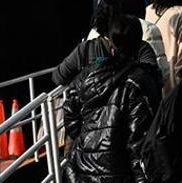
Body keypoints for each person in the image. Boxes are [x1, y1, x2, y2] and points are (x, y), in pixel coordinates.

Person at [63, 15, 163, 183]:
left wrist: (85, 137)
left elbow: (70, 110)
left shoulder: (87, 75)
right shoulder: (140, 81)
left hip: (84, 167)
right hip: (119, 171)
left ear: (111, 45)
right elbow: (139, 141)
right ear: (139, 45)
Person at [52, 0, 159, 86]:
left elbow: (58, 77)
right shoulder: (140, 47)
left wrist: (82, 79)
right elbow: (154, 77)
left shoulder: (86, 49)